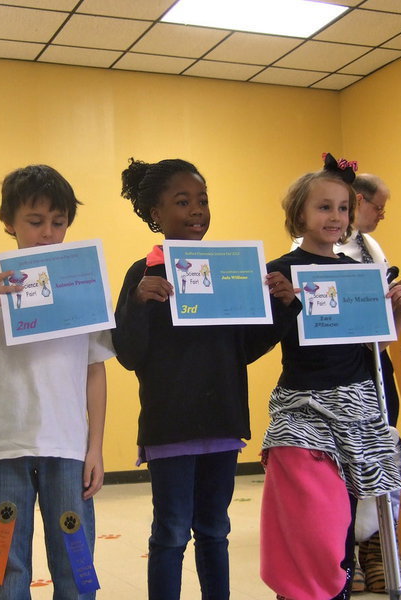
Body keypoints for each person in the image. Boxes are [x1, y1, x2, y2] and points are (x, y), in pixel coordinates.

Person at [113, 158, 300, 600]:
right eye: (182, 202)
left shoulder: (226, 270)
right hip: (171, 426)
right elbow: (128, 354)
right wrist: (139, 303)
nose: (197, 210)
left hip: (222, 421)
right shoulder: (142, 274)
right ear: (155, 214)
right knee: (172, 532)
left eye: (202, 200)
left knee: (215, 529)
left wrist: (282, 306)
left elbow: (244, 349)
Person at [0, 164, 114, 600]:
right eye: (35, 221)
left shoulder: (82, 283)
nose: (48, 233)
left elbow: (94, 369)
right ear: (9, 222)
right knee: (5, 563)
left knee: (75, 560)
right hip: (7, 448)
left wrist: (95, 446)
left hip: (68, 448)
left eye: (58, 222)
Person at [260, 154, 401, 600]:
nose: (335, 217)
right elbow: (260, 341)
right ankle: (300, 590)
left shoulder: (359, 274)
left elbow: (372, 344)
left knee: (349, 522)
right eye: (323, 207)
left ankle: (337, 588)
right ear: (300, 214)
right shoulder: (281, 270)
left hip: (359, 406)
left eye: (343, 208)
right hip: (302, 407)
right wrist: (285, 304)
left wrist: (400, 314)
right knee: (314, 524)